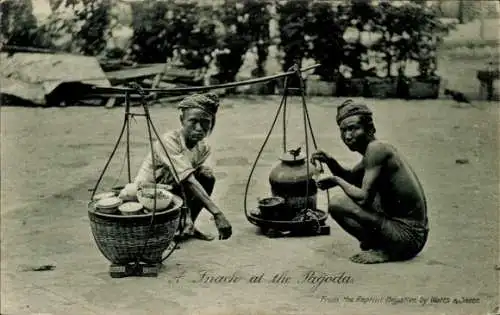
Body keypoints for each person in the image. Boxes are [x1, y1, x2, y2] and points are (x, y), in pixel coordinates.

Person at [311, 100, 428, 264]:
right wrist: (330, 161)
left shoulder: (377, 150)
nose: (347, 136)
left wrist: (336, 180)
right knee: (347, 200)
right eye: (343, 130)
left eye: (353, 129)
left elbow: (363, 197)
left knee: (338, 202)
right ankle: (379, 243)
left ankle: (386, 251)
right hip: (408, 233)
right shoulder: (373, 151)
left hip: (408, 237)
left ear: (370, 129)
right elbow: (352, 178)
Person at [132, 92, 232, 241]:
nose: (199, 128)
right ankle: (170, 232)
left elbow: (187, 180)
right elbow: (187, 180)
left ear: (212, 122)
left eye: (205, 122)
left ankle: (188, 225)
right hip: (150, 191)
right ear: (182, 120)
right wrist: (218, 214)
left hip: (174, 186)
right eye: (193, 121)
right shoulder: (169, 141)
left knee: (206, 176)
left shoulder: (203, 148)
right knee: (190, 180)